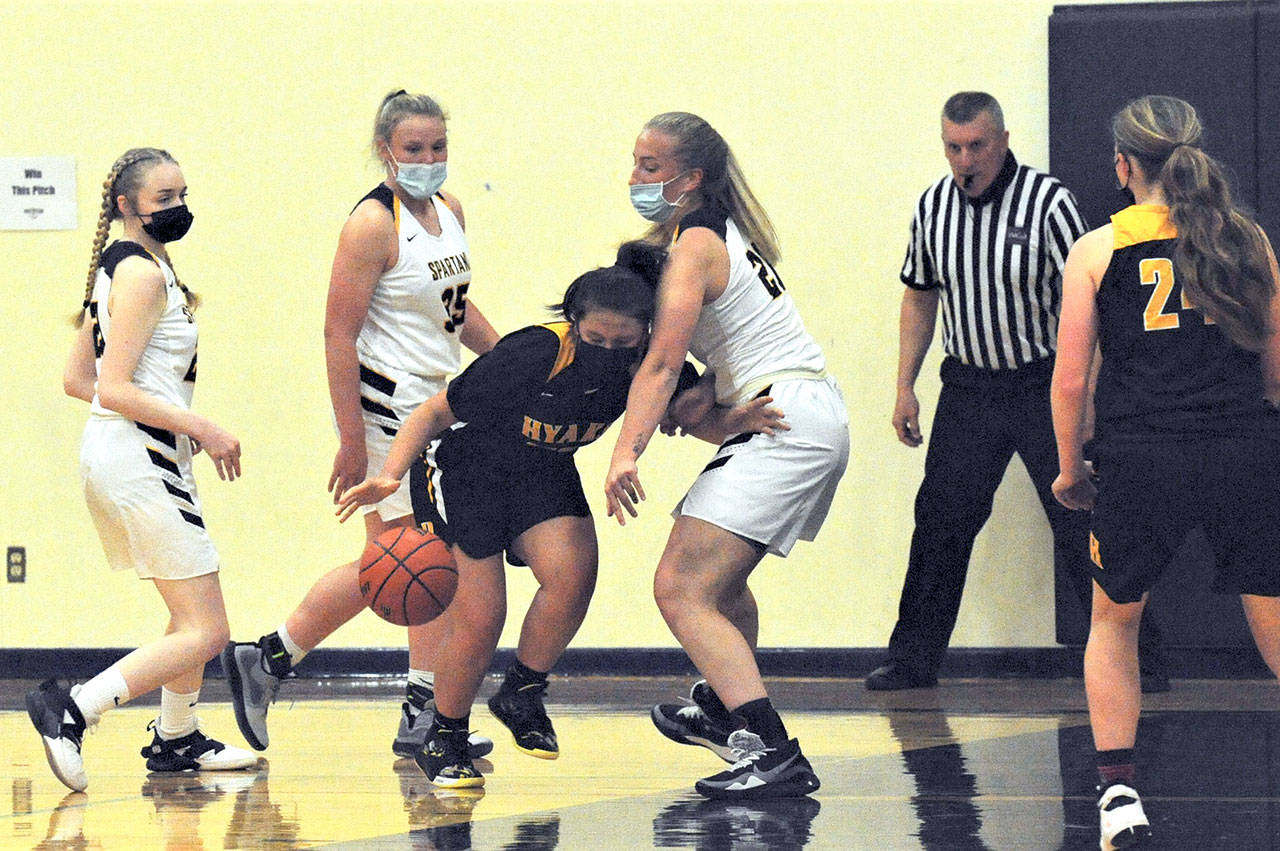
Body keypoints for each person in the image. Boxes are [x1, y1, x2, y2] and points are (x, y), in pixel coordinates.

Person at [337, 242, 785, 787]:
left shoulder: (652, 364)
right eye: (595, 339)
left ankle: (521, 692)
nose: (607, 349)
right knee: (482, 617)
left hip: (543, 471)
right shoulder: (534, 352)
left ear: (646, 332)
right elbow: (433, 413)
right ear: (573, 323)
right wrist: (390, 475)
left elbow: (695, 419)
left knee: (574, 575)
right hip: (467, 470)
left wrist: (739, 417)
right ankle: (444, 735)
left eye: (622, 341)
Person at [220, 90, 500, 760]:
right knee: (407, 559)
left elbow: (453, 309)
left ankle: (408, 701)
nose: (428, 159)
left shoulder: (451, 210)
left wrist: (514, 358)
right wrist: (351, 440)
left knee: (426, 559)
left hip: (441, 405)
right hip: (390, 412)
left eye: (438, 147)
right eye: (414, 149)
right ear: (385, 151)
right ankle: (271, 657)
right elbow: (337, 333)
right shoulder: (371, 225)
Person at [866, 91, 1169, 693]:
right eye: (953, 147)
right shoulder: (931, 208)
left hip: (1039, 383)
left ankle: (1139, 659)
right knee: (940, 521)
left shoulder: (1049, 203)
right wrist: (904, 384)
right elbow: (919, 294)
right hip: (969, 386)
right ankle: (913, 660)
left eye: (976, 145)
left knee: (1079, 521)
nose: (964, 159)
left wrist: (1084, 405)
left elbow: (1094, 302)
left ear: (1002, 141)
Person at [1051, 94, 1280, 851]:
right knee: (1273, 614)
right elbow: (1277, 363)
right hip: (1243, 446)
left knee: (1114, 620)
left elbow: (1071, 382)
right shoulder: (1246, 239)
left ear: (1123, 165)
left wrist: (1068, 468)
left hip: (1143, 452)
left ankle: (1119, 793)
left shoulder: (1098, 248)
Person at [604, 112, 850, 799]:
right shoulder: (725, 235)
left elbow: (660, 365)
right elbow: (698, 390)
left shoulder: (696, 243)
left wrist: (627, 451)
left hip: (788, 418)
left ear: (692, 178)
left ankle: (772, 750)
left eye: (650, 168)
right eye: (635, 162)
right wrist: (721, 414)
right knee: (721, 585)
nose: (636, 179)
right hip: (796, 411)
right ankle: (722, 707)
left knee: (680, 586)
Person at [26, 148, 256, 792]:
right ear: (126, 206)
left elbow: (78, 380)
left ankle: (177, 738)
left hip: (123, 454)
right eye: (162, 198)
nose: (178, 207)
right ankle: (73, 708)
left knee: (191, 617)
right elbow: (116, 387)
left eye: (182, 193)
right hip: (140, 457)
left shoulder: (125, 267)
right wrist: (203, 427)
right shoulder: (141, 278)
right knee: (208, 629)